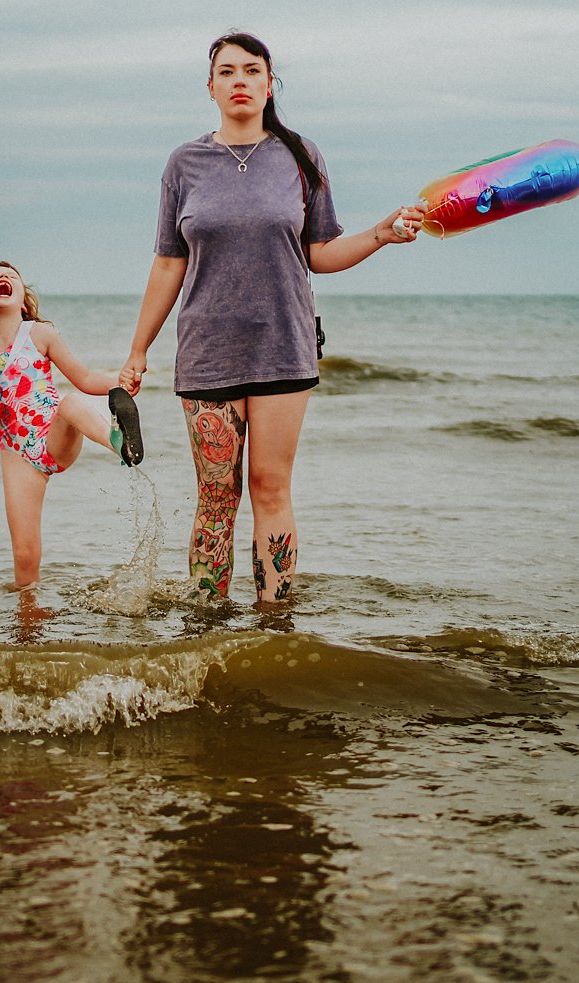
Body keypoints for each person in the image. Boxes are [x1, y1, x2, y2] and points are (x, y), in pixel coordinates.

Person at [120, 31, 423, 604]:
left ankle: (274, 625)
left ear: (268, 83)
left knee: (270, 486)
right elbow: (167, 264)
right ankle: (205, 624)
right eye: (227, 72)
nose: (240, 81)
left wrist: (381, 234)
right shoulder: (185, 163)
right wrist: (138, 350)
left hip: (284, 345)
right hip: (208, 352)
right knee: (216, 494)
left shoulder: (301, 156)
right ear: (210, 87)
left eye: (251, 71)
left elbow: (319, 253)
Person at [0, 261, 145, 588]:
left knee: (69, 402)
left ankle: (118, 442)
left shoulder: (39, 333)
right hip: (16, 456)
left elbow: (83, 377)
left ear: (23, 301)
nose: (3, 277)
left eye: (11, 276)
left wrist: (119, 382)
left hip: (56, 435)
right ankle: (29, 621)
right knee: (25, 554)